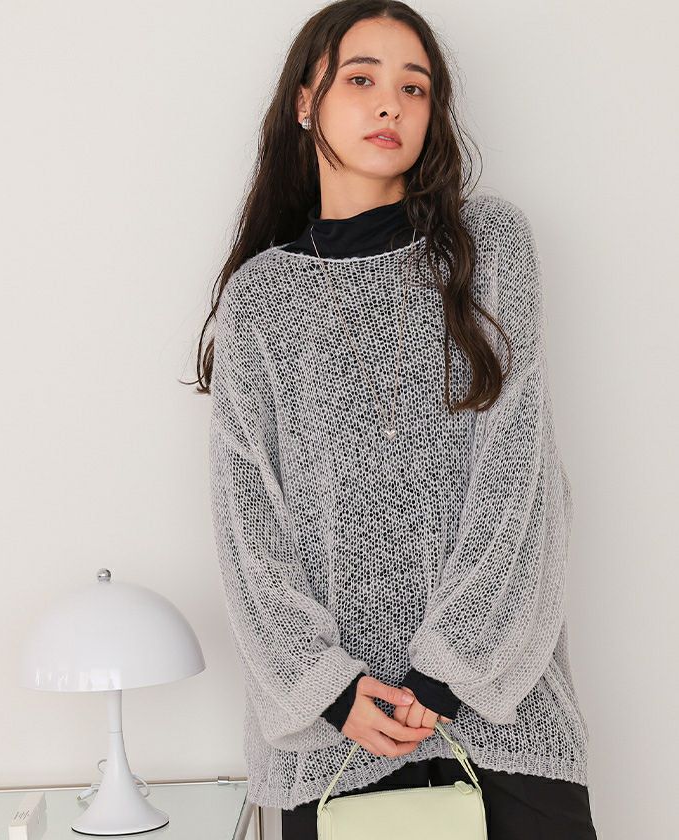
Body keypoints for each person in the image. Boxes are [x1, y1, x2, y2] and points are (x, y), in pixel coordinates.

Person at [192, 2, 598, 837]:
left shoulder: (490, 246)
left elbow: (522, 482)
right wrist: (330, 690)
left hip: (502, 724)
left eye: (414, 87)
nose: (390, 104)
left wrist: (448, 676)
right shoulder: (260, 299)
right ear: (305, 102)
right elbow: (247, 527)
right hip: (334, 738)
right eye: (361, 79)